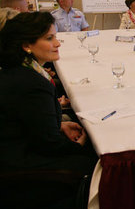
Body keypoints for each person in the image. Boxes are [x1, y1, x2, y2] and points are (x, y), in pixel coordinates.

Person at [0, 12, 97, 178]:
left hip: (15, 146)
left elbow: (28, 120)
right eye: (49, 38)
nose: (58, 43)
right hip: (17, 164)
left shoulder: (22, 71)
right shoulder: (32, 83)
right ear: (26, 45)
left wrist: (57, 125)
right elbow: (50, 145)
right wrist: (79, 146)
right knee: (93, 160)